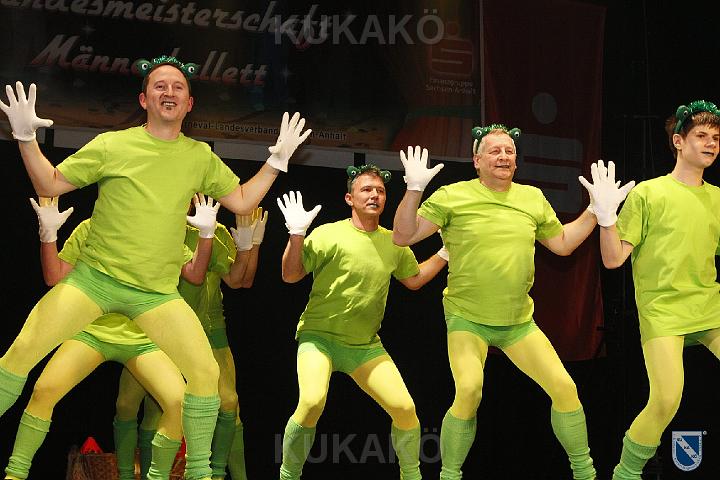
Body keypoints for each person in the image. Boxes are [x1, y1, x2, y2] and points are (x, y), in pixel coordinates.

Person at [0, 55, 310, 480]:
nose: (169, 92)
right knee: (20, 355)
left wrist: (275, 163)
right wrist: (24, 138)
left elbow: (241, 202)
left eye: (178, 87)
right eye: (160, 86)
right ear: (144, 100)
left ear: (189, 104)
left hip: (156, 295)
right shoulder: (113, 145)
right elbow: (49, 183)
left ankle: (199, 474)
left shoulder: (199, 157)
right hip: (94, 283)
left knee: (205, 374)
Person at [392, 128, 628, 479]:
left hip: (518, 322)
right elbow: (403, 235)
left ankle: (586, 474)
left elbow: (563, 244)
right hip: (467, 319)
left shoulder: (532, 198)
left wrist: (596, 210)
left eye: (509, 151)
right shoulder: (453, 196)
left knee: (565, 389)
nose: (504, 156)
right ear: (477, 160)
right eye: (495, 151)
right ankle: (449, 475)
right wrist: (413, 190)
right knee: (469, 390)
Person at [4, 194, 215, 480]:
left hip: (142, 339)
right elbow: (54, 276)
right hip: (92, 333)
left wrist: (206, 235)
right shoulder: (92, 228)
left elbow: (195, 275)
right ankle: (15, 474)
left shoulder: (161, 236)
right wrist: (48, 235)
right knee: (44, 390)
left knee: (179, 403)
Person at [275, 165, 449, 479]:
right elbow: (290, 275)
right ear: (349, 198)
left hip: (364, 346)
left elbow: (414, 280)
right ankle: (288, 475)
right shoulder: (328, 234)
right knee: (311, 402)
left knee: (405, 409)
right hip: (319, 339)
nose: (374, 195)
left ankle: (412, 476)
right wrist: (296, 235)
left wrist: (446, 252)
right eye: (366, 190)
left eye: (380, 191)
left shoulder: (394, 242)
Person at [586, 100, 720, 479]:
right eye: (701, 136)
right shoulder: (649, 193)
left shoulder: (717, 198)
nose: (711, 143)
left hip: (709, 307)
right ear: (678, 141)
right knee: (665, 398)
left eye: (716, 137)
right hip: (663, 312)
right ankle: (625, 474)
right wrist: (607, 219)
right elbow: (613, 259)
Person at [116, 205, 267, 480]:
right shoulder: (151, 228)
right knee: (143, 407)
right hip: (154, 328)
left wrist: (250, 245)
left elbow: (239, 280)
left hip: (206, 327)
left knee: (228, 403)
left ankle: (218, 474)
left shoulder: (213, 231)